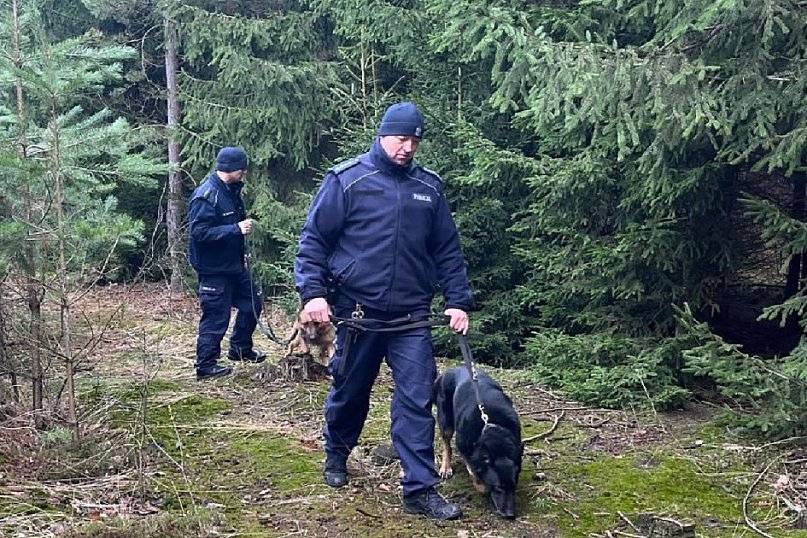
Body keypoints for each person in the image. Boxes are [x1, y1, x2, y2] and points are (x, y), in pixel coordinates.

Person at [294, 102, 474, 521]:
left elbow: (447, 250)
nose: (408, 147)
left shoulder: (428, 188)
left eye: (415, 139)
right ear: (381, 135)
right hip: (358, 313)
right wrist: (313, 294)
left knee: (415, 399)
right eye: (400, 138)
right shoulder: (349, 180)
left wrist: (458, 301)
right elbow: (314, 241)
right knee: (350, 391)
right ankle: (337, 453)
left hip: (411, 316)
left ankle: (419, 489)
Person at [188, 146, 266, 381]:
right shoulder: (207, 195)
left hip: (233, 266)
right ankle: (205, 366)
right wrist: (235, 229)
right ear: (231, 169)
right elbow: (199, 232)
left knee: (253, 301)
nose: (245, 173)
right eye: (242, 169)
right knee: (215, 317)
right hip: (214, 270)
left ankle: (240, 349)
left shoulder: (231, 191)